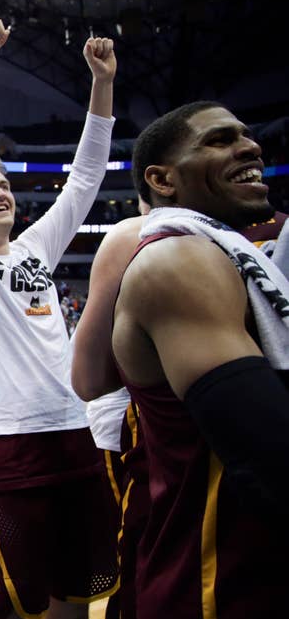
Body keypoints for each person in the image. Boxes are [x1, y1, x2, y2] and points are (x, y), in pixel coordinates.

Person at [0, 16, 119, 619]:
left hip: (74, 433)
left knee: (77, 594)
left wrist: (102, 85)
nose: (0, 192)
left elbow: (85, 179)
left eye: (4, 183)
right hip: (7, 445)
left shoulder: (36, 250)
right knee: (19, 606)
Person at [112, 102, 289, 618]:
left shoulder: (232, 256)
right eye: (219, 139)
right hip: (218, 586)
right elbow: (270, 456)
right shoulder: (178, 259)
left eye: (247, 135)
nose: (251, 146)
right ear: (162, 179)